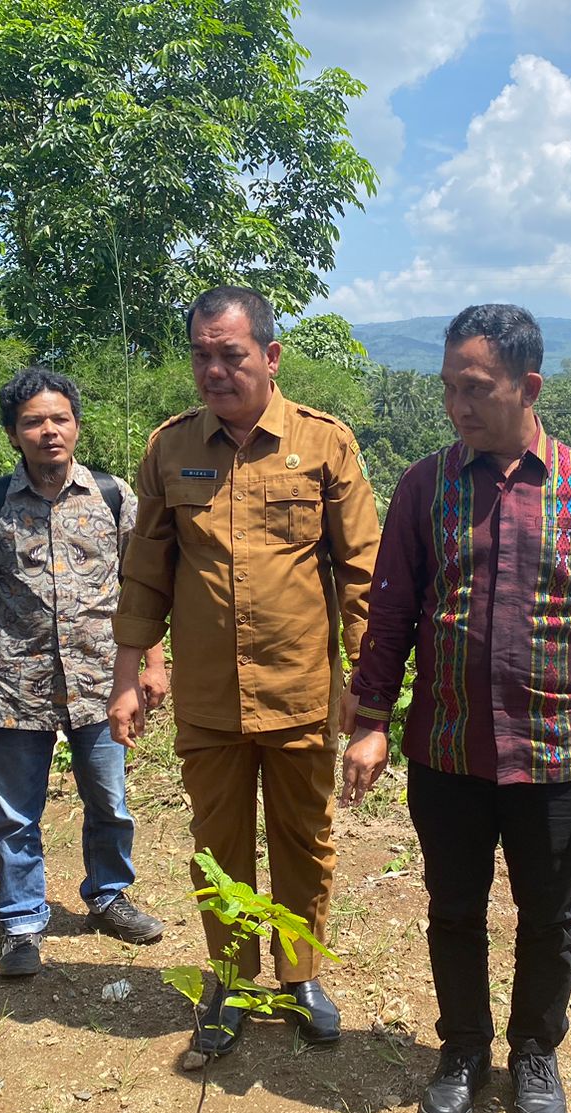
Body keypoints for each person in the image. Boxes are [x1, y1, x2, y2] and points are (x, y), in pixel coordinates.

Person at [341, 304, 571, 1113]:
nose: (457, 406)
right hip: (447, 748)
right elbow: (393, 613)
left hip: (553, 750)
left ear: (529, 386)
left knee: (548, 915)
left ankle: (533, 1052)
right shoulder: (426, 486)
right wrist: (370, 720)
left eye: (475, 389)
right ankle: (461, 1050)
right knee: (453, 907)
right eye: (449, 388)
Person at [108, 285, 380, 1055]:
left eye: (230, 355)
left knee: (304, 838)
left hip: (300, 689)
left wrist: (368, 682)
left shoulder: (325, 444)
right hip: (206, 697)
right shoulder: (171, 448)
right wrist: (128, 676)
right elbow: (146, 575)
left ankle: (300, 978)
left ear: (269, 355)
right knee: (217, 843)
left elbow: (362, 572)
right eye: (201, 355)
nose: (214, 371)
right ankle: (228, 977)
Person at [0, 367, 168, 977]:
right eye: (33, 421)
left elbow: (145, 587)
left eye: (59, 418)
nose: (48, 431)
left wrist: (152, 666)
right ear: (13, 433)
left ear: (77, 426)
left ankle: (109, 896)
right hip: (16, 684)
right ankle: (22, 920)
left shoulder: (112, 497)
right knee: (14, 812)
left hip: (101, 683)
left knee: (110, 803)